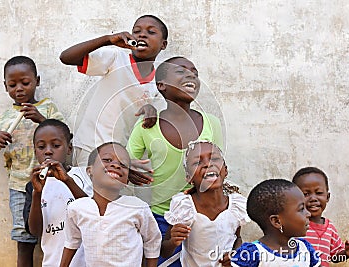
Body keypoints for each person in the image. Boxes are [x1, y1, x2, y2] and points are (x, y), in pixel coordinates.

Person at [127, 56, 223, 266]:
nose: (191, 75)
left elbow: (219, 170)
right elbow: (126, 164)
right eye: (181, 71)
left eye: (195, 72)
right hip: (162, 217)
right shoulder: (147, 126)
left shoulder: (211, 123)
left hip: (203, 216)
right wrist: (130, 170)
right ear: (161, 85)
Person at [0, 56, 64, 267]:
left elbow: (65, 136)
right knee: (23, 237)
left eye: (25, 83)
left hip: (51, 183)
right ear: (5, 86)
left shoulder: (48, 108)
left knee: (54, 233)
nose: (19, 89)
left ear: (37, 81)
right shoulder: (5, 117)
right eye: (12, 84)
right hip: (19, 186)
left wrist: (42, 120)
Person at [59, 14, 168, 168]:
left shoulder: (158, 82)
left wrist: (152, 112)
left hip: (119, 155)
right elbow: (66, 57)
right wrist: (107, 40)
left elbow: (156, 121)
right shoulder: (116, 58)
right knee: (84, 191)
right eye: (137, 31)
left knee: (110, 192)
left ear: (163, 45)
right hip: (90, 145)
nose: (142, 34)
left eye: (151, 32)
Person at [59, 142, 161, 267]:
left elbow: (152, 242)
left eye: (123, 164)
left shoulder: (137, 207)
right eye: (107, 160)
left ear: (127, 178)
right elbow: (71, 241)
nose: (115, 165)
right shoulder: (77, 208)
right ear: (90, 170)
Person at [160, 140, 249, 266]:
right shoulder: (185, 207)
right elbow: (164, 252)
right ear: (189, 178)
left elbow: (237, 238)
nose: (208, 164)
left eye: (214, 159)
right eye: (197, 162)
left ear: (225, 170)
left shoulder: (235, 206)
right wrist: (173, 241)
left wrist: (234, 254)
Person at [23, 119, 92, 266]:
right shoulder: (33, 186)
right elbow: (35, 231)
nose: (48, 151)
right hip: (53, 262)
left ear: (69, 149)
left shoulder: (83, 176)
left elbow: (94, 214)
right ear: (35, 151)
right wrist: (37, 194)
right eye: (41, 147)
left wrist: (67, 181)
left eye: (56, 145)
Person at [231, 179, 321, 267]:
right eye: (301, 209)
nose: (308, 214)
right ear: (276, 221)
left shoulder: (305, 249)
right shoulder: (252, 254)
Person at [292, 167, 349, 266]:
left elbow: (334, 257)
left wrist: (346, 253)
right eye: (306, 194)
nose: (313, 198)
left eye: (319, 193)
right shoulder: (294, 226)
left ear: (327, 197)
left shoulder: (330, 228)